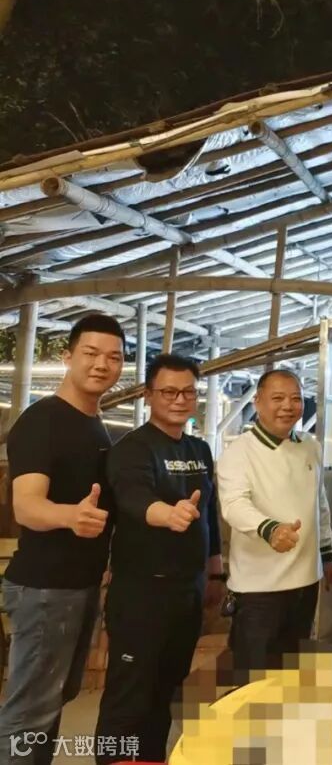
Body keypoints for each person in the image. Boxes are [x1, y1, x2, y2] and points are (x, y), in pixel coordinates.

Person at [0, 314, 125, 765]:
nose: (101, 364)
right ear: (67, 356)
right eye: (90, 353)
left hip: (76, 585)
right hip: (45, 588)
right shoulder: (43, 420)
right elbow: (27, 506)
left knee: (53, 700)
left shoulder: (94, 423)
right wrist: (71, 515)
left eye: (113, 357)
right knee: (30, 712)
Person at [94, 354, 224, 765]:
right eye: (168, 391)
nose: (179, 400)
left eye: (188, 392)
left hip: (188, 591)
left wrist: (215, 572)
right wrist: (168, 514)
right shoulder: (132, 449)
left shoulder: (199, 448)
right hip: (142, 592)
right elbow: (133, 498)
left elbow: (210, 513)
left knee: (166, 692)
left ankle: (152, 759)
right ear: (149, 395)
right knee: (130, 695)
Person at [216, 368, 332, 673]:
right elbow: (234, 505)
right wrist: (269, 528)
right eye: (278, 398)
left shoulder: (310, 446)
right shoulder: (239, 451)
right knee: (254, 678)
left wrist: (326, 555)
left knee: (292, 674)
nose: (288, 406)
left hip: (306, 583)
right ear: (257, 402)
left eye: (295, 398)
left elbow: (318, 503)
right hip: (259, 590)